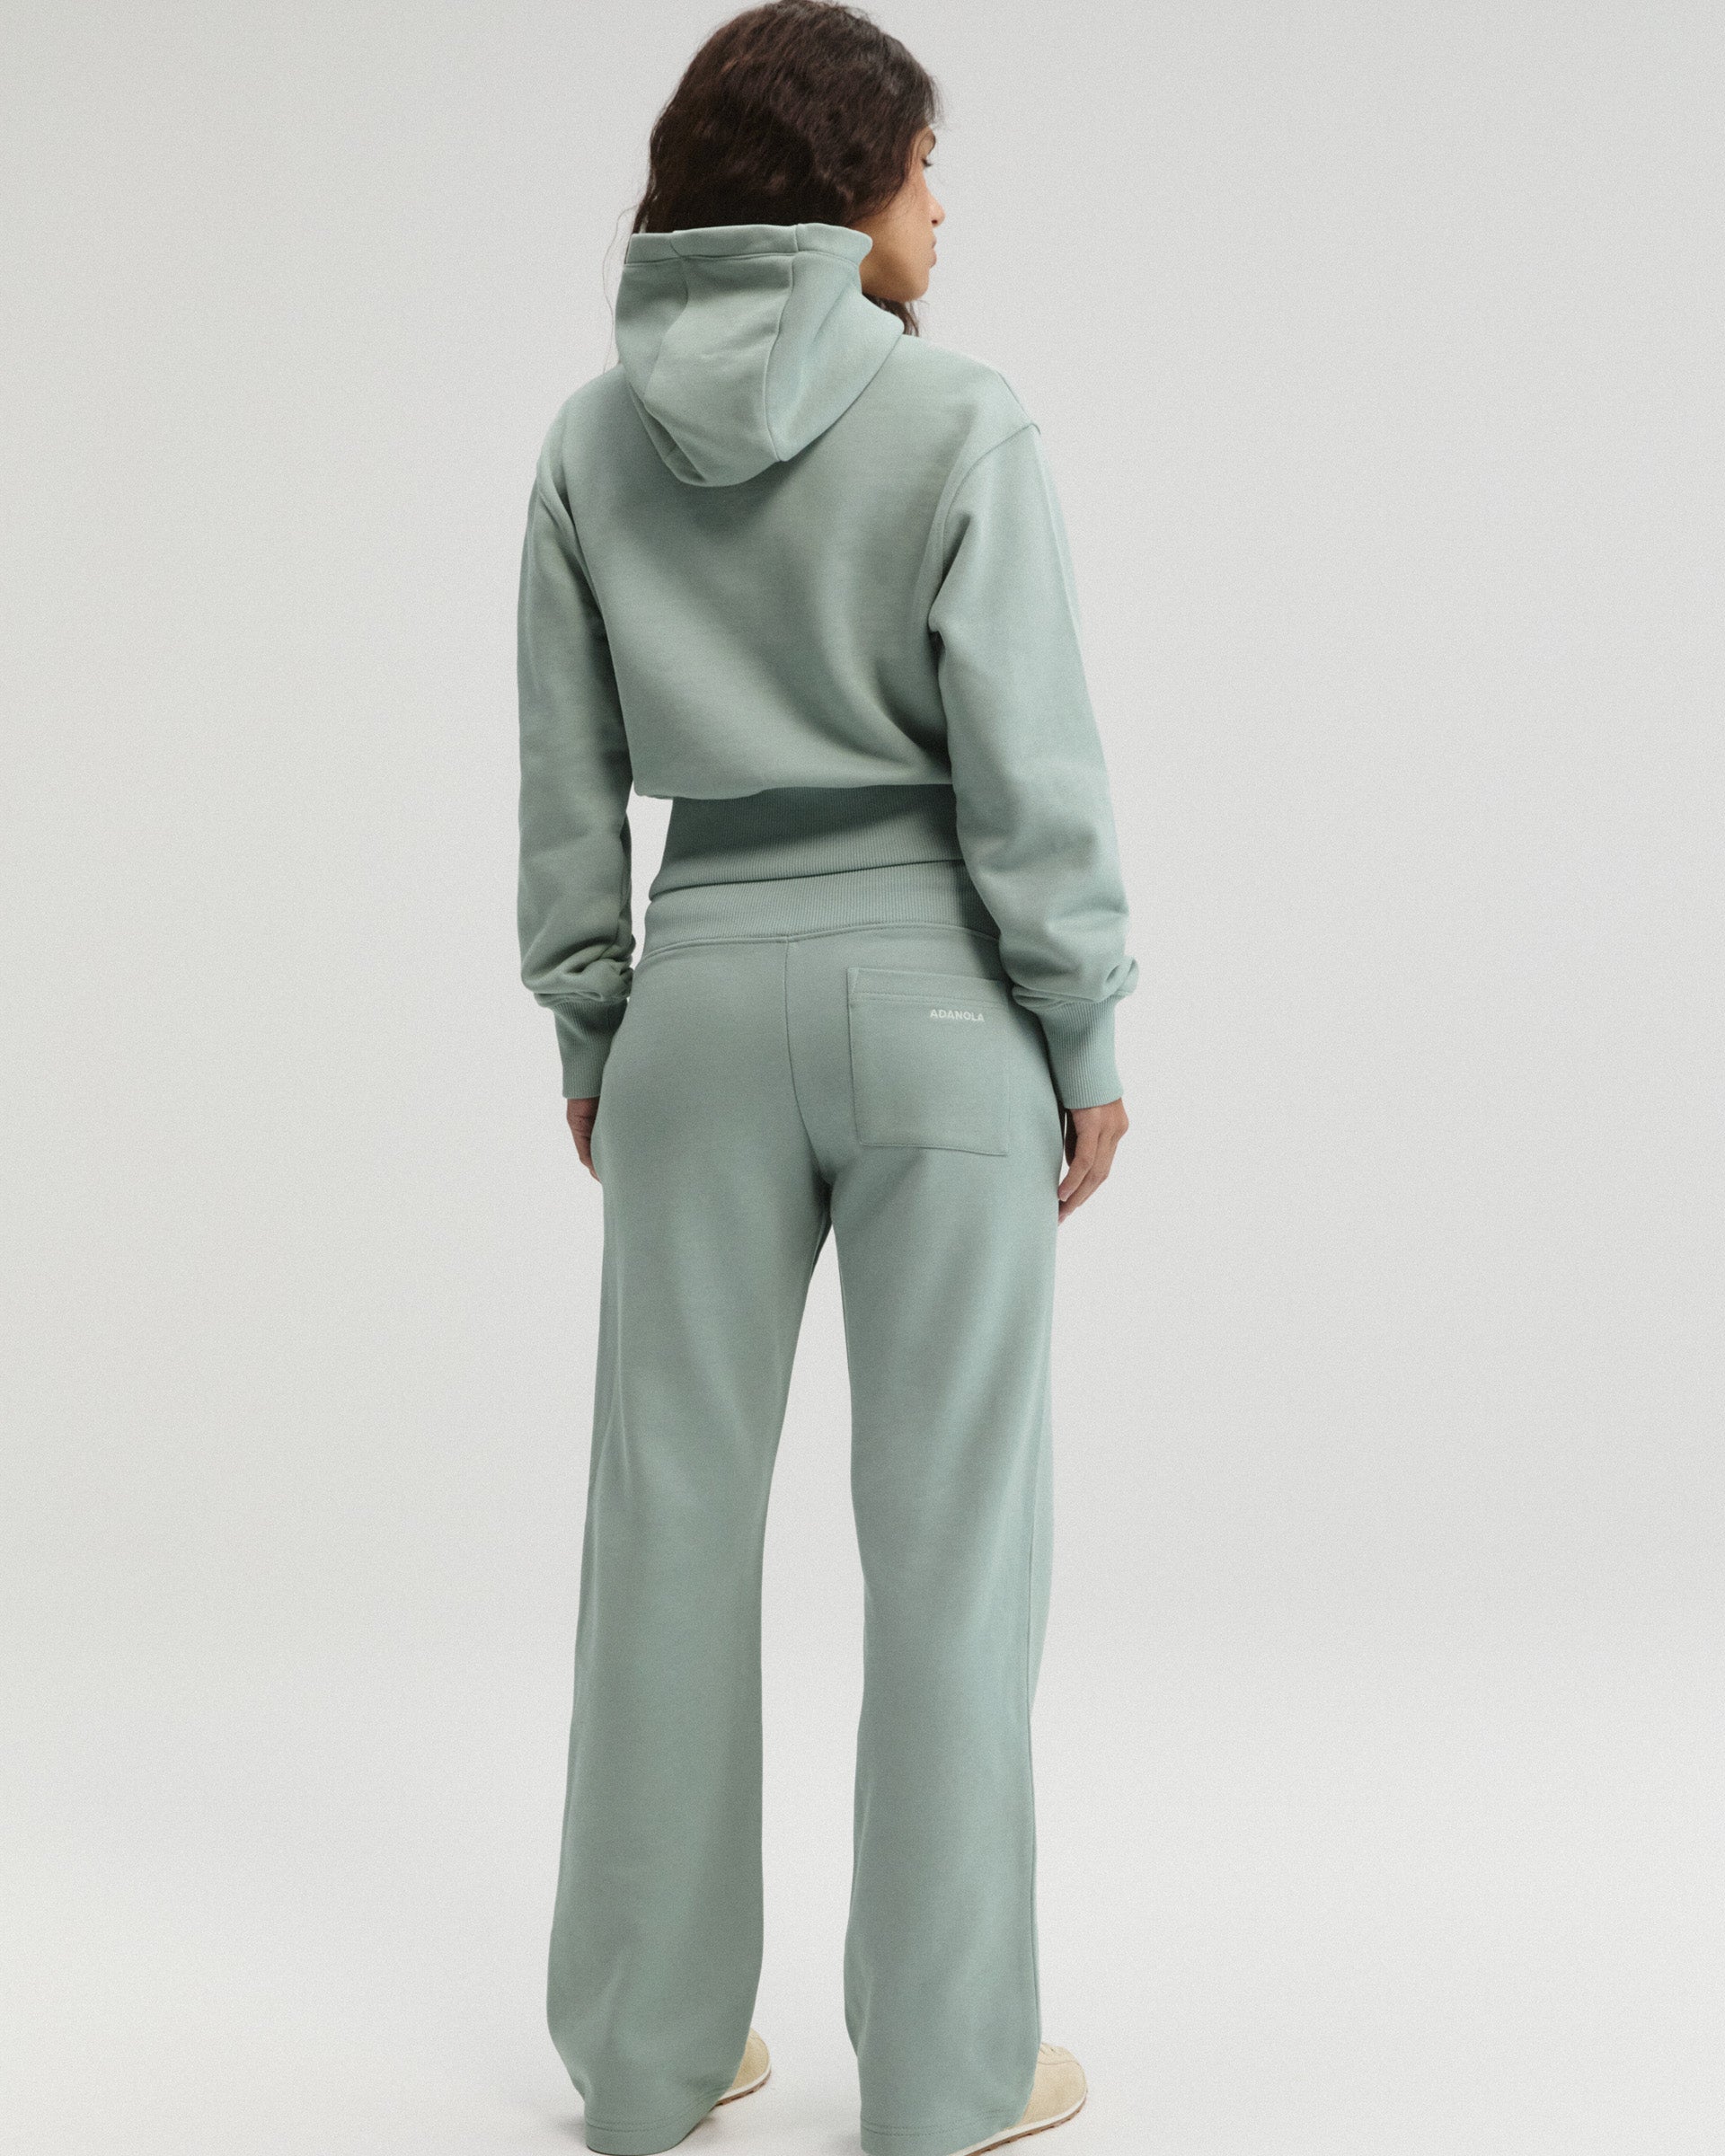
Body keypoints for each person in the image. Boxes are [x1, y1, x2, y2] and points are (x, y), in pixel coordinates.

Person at [515, 5, 1137, 2152]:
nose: (943, 203)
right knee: (954, 1547)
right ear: (845, 177)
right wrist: (1084, 1028)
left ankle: (653, 2053)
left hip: (695, 1012)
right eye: (924, 162)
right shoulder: (960, 420)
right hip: (945, 1009)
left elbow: (567, 785)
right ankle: (948, 2077)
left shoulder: (591, 442)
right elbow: (1034, 775)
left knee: (666, 1523)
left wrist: (592, 1018)